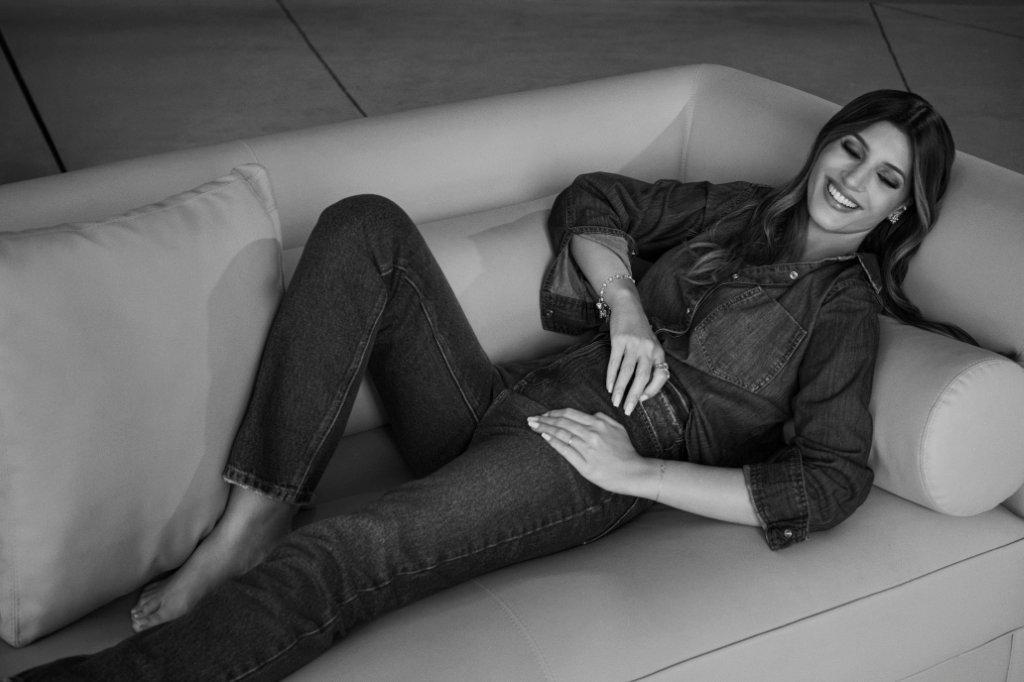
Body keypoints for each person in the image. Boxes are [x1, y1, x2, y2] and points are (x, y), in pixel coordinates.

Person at [13, 89, 970, 681]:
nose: (855, 180)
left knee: (348, 553)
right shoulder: (736, 212)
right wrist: (626, 305)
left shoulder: (840, 311)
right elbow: (595, 199)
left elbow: (830, 478)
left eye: (888, 180)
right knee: (364, 226)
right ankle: (251, 519)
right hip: (503, 400)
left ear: (899, 214)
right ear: (827, 143)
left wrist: (641, 475)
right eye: (854, 149)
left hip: (576, 466)